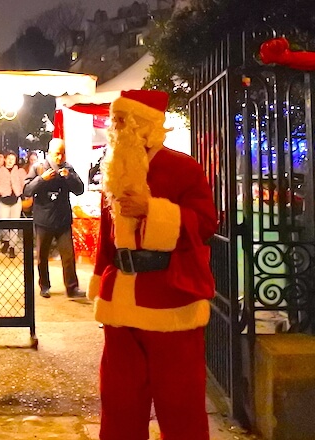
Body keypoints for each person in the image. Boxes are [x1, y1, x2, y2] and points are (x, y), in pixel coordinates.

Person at [87, 89, 217, 440]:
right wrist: (100, 276)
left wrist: (152, 210)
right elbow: (109, 235)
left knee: (180, 402)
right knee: (120, 399)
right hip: (120, 298)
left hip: (170, 296)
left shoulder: (182, 167)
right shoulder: (115, 168)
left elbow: (206, 223)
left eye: (121, 119)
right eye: (115, 120)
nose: (114, 126)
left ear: (146, 125)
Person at [23, 138, 86, 298]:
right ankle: (44, 285)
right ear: (50, 152)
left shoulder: (68, 168)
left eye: (63, 153)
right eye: (58, 153)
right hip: (43, 219)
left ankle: (72, 287)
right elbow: (27, 190)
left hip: (63, 219)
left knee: (68, 256)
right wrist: (42, 179)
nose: (61, 157)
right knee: (42, 256)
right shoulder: (38, 167)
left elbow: (80, 190)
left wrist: (69, 177)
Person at [0, 151, 26, 258]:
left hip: (16, 200)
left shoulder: (20, 171)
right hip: (4, 200)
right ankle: (5, 241)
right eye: (8, 159)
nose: (10, 161)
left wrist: (24, 193)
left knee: (14, 224)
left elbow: (25, 183)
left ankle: (12, 247)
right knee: (4, 223)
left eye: (12, 159)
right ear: (5, 159)